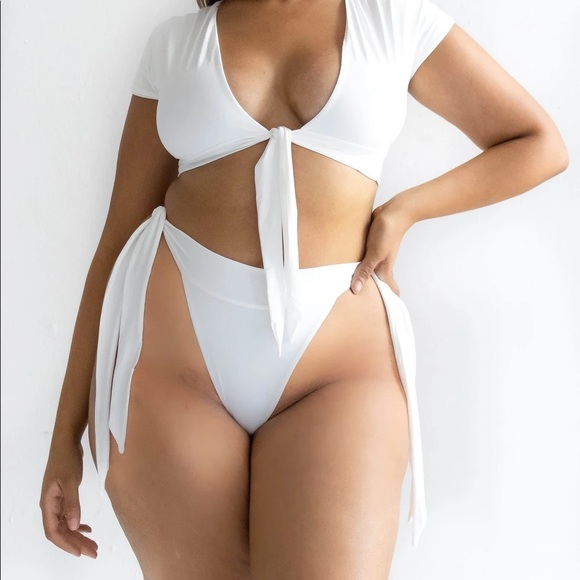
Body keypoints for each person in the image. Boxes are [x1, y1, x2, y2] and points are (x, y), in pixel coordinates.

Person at [39, 0, 568, 577]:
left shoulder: (392, 19)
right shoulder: (175, 44)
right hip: (172, 368)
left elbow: (538, 142)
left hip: (338, 370)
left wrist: (406, 210)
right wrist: (64, 436)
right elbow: (118, 235)